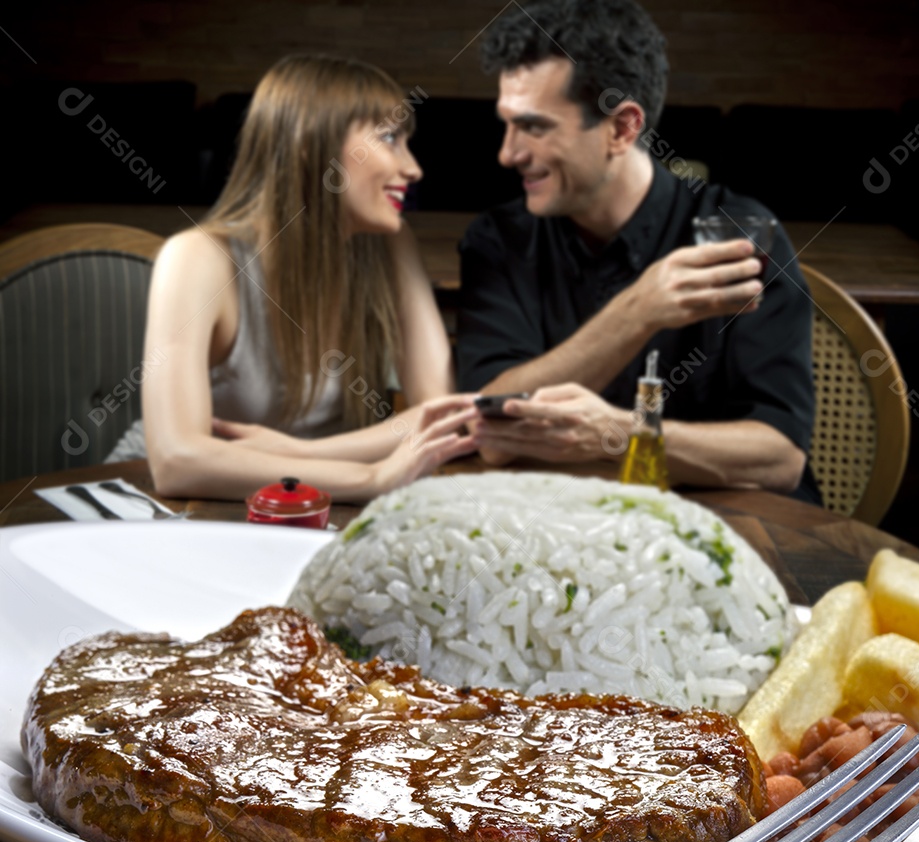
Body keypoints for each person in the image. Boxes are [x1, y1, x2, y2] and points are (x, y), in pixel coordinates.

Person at [457, 0, 820, 502]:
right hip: (561, 524)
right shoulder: (498, 240)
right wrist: (639, 310)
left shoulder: (737, 232)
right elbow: (492, 423)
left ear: (622, 127)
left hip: (732, 527)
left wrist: (623, 433)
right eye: (507, 123)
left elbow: (779, 458)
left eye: (534, 127)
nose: (508, 153)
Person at [109, 54, 478, 501]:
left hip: (305, 504)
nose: (413, 168)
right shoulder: (198, 258)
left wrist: (303, 453)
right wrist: (370, 479)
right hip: (163, 502)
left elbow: (437, 419)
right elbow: (177, 463)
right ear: (311, 147)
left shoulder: (391, 246)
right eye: (388, 139)